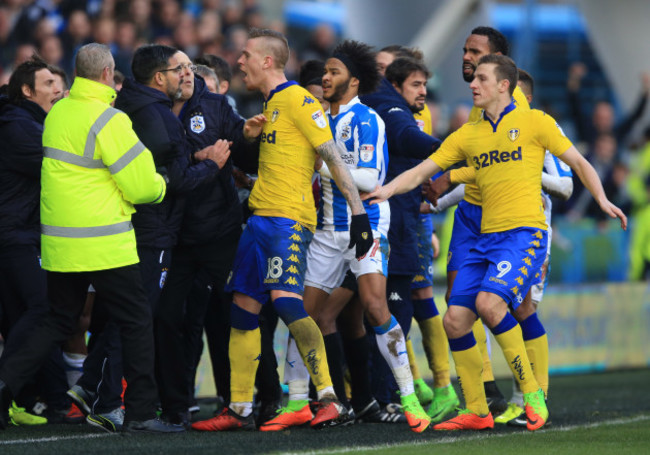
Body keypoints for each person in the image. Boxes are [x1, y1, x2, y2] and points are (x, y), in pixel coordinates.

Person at [366, 54, 626, 432]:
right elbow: (425, 170)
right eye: (474, 79)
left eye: (482, 79)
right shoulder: (469, 135)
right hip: (485, 239)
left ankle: (533, 395)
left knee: (490, 304)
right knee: (454, 321)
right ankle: (476, 409)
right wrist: (385, 190)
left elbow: (580, 163)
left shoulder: (535, 122)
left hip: (525, 234)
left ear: (504, 85)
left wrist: (602, 200)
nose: (473, 84)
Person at [191, 28, 373, 432]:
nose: (239, 62)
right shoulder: (271, 105)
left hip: (287, 221)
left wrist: (358, 215)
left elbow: (333, 157)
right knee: (242, 308)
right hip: (258, 220)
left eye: (245, 55)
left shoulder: (299, 100)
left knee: (288, 302)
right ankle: (238, 408)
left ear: (267, 61)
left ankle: (327, 398)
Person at [0, 43, 182, 434]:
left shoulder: (59, 112)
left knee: (55, 320)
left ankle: (3, 388)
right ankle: (141, 413)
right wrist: (162, 184)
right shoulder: (110, 120)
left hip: (60, 243)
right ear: (107, 74)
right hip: (104, 241)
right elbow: (139, 185)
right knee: (135, 321)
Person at [265, 40, 430, 433]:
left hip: (365, 226)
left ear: (354, 82)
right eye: (325, 71)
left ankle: (408, 397)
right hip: (326, 230)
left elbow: (371, 178)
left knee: (375, 307)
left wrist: (325, 164)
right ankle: (298, 402)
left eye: (334, 72)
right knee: (299, 313)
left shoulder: (367, 119)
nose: (325, 77)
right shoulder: (318, 118)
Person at [155, 49, 264, 426]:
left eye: (188, 67)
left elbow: (247, 161)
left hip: (219, 231)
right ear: (161, 76)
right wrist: (200, 160)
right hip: (175, 237)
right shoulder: (152, 111)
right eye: (178, 68)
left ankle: (262, 401)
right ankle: (173, 407)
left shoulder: (216, 106)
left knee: (242, 313)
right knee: (166, 318)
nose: (185, 73)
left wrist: (248, 138)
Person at [425, 27, 529, 415]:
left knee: (508, 307)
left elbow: (511, 167)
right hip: (469, 216)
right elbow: (473, 163)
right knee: (458, 304)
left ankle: (530, 393)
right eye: (465, 50)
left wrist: (446, 178)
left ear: (499, 61)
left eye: (476, 52)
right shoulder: (478, 101)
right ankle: (484, 394)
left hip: (504, 220)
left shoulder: (514, 107)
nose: (466, 57)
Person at [359, 53, 441, 413]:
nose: (423, 91)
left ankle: (366, 394)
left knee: (366, 308)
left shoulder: (382, 104)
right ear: (395, 82)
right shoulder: (391, 108)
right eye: (417, 84)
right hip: (392, 221)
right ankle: (386, 394)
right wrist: (450, 149)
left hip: (390, 218)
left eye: (425, 85)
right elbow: (407, 138)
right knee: (396, 306)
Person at [493, 68, 574, 426]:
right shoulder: (492, 131)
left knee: (523, 309)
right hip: (497, 236)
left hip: (532, 236)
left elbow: (564, 184)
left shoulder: (543, 129)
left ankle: (533, 398)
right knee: (500, 311)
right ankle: (522, 398)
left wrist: (526, 168)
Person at [0, 55, 69, 426]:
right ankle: (8, 386)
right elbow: (61, 167)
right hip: (17, 235)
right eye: (48, 85)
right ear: (27, 91)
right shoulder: (22, 127)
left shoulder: (21, 121)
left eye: (58, 83)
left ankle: (28, 400)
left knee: (20, 316)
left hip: (17, 233)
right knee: (45, 308)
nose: (57, 89)